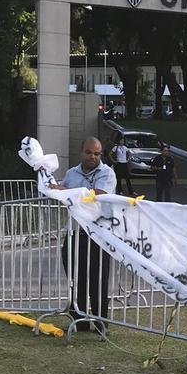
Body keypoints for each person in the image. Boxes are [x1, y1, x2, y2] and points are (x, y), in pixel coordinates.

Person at [49, 137, 117, 331]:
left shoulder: (107, 173)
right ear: (81, 152)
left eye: (97, 153)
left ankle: (100, 321)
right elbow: (60, 191)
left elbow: (96, 195)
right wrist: (53, 185)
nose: (93, 157)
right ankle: (78, 319)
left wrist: (68, 191)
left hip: (99, 234)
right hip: (75, 231)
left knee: (98, 278)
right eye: (89, 152)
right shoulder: (71, 173)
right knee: (75, 278)